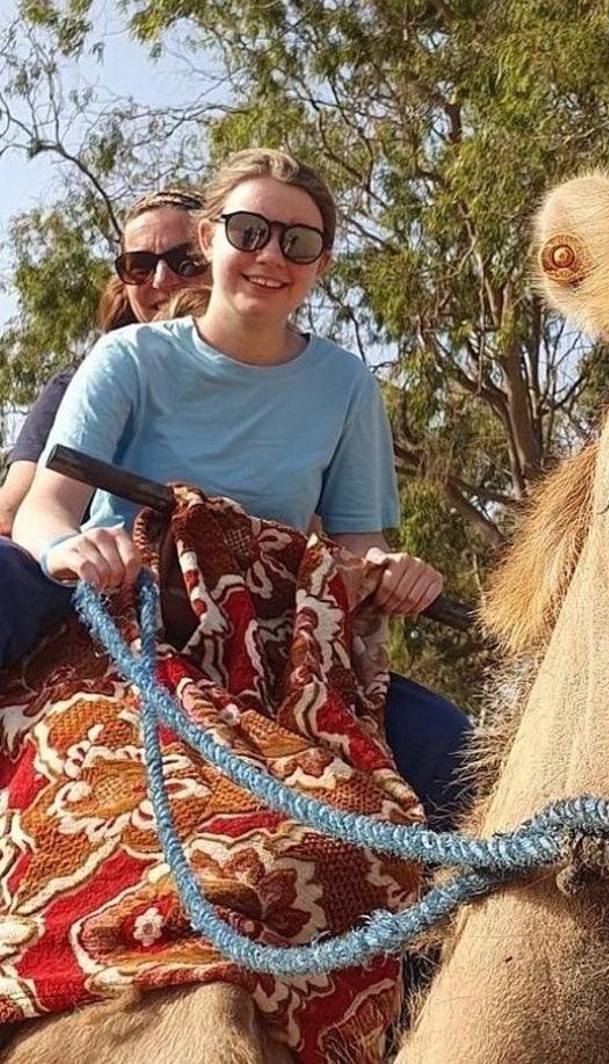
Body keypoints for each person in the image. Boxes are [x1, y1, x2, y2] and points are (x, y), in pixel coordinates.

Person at [6, 149, 471, 826]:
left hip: (272, 642)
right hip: (123, 609)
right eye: (250, 231)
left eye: (298, 242)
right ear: (210, 238)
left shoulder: (345, 387)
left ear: (321, 264)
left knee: (454, 753)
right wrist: (68, 551)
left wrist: (397, 576)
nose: (271, 256)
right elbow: (44, 510)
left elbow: (356, 551)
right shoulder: (130, 358)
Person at [0, 189, 208, 536]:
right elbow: (11, 512)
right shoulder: (75, 388)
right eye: (139, 266)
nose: (161, 280)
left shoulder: (292, 387)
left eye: (185, 260)